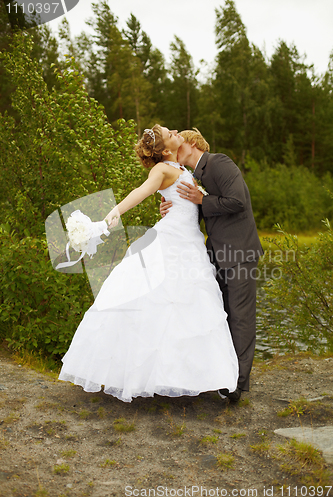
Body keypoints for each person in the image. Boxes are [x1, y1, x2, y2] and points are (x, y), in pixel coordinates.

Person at [59, 125, 239, 403]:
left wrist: (170, 202)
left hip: (188, 241)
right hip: (172, 241)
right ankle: (143, 376)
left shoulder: (177, 166)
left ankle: (182, 376)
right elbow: (141, 191)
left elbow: (185, 199)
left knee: (185, 310)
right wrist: (114, 213)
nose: (176, 130)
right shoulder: (162, 170)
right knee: (160, 306)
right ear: (166, 149)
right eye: (171, 132)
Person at [160, 128, 263, 402]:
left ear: (192, 143)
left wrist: (201, 199)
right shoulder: (193, 177)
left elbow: (238, 201)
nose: (175, 149)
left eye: (180, 143)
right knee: (220, 315)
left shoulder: (219, 162)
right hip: (215, 255)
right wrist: (172, 208)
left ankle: (237, 387)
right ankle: (221, 374)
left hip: (239, 253)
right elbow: (197, 213)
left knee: (240, 318)